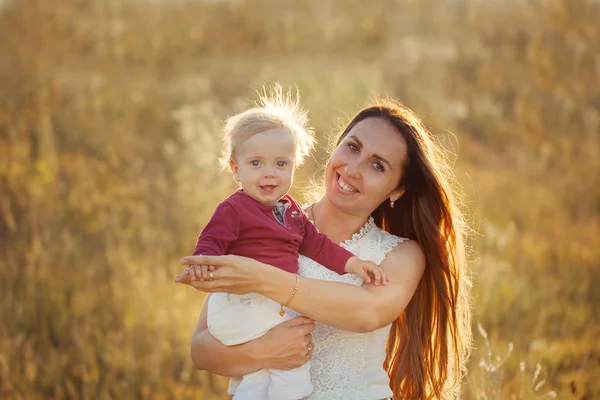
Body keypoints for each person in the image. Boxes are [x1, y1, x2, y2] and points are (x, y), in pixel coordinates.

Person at [176, 96, 472, 399]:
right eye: (353, 147)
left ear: (397, 189)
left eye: (377, 165)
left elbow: (366, 311)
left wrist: (261, 279)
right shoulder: (262, 225)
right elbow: (201, 349)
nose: (354, 168)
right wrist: (261, 353)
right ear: (336, 145)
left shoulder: (400, 254)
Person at [183, 86, 388, 400]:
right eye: (256, 164)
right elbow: (211, 242)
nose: (269, 174)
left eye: (281, 164)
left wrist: (353, 264)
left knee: (280, 367)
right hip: (244, 304)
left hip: (271, 306)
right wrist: (202, 267)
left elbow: (319, 246)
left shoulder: (291, 211)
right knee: (279, 360)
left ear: (295, 164)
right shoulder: (233, 209)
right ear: (235, 168)